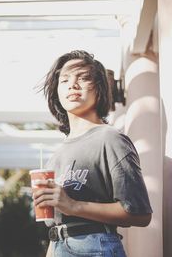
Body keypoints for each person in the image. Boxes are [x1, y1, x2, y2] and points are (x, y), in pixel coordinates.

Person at [34, 50, 152, 257]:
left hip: (96, 246)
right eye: (65, 80)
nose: (73, 85)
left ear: (99, 88)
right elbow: (57, 228)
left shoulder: (110, 138)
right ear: (56, 92)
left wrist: (73, 205)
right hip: (60, 246)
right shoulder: (56, 156)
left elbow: (140, 214)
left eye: (84, 78)